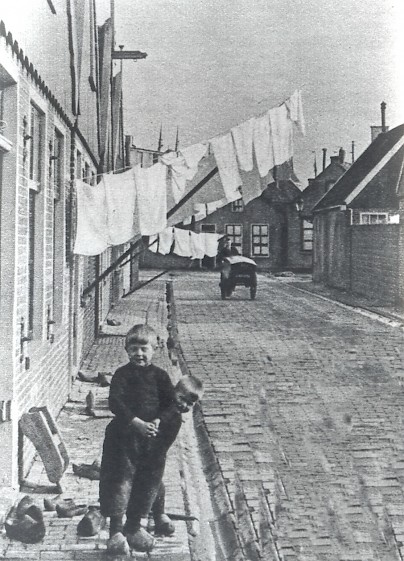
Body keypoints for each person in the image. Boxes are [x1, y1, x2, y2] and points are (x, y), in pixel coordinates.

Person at [99, 324, 175, 555]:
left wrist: (159, 422)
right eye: (133, 349)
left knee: (147, 481)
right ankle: (116, 531)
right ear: (126, 350)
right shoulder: (122, 374)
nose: (139, 354)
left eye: (144, 349)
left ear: (154, 349)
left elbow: (170, 404)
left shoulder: (160, 376)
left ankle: (134, 527)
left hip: (151, 440)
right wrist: (137, 423)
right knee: (119, 481)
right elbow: (116, 402)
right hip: (122, 439)